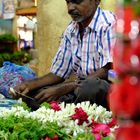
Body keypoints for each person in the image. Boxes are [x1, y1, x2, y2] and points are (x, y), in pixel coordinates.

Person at [11, 0, 116, 110]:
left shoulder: (108, 24)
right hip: (78, 88)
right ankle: (73, 111)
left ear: (96, 1)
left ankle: (71, 110)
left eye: (76, 1)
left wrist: (67, 87)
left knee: (91, 88)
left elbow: (108, 70)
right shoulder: (71, 30)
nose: (70, 8)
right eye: (68, 2)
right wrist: (30, 85)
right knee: (35, 94)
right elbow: (58, 73)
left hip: (104, 89)